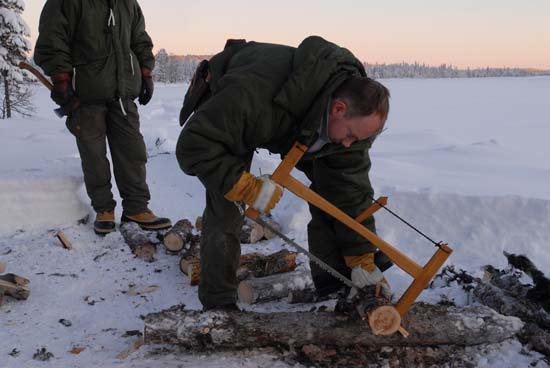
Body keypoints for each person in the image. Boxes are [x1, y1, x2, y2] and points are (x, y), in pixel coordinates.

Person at [176, 36, 391, 310]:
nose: (350, 144)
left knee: (331, 192)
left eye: (356, 139)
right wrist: (246, 187)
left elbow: (350, 193)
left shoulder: (350, 127)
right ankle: (219, 306)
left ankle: (334, 288)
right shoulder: (254, 94)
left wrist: (362, 257)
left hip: (293, 120)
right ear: (339, 109)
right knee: (227, 204)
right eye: (349, 135)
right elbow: (193, 145)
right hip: (238, 107)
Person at [34, 0, 171, 235]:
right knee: (94, 155)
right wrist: (61, 78)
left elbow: (139, 38)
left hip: (123, 92)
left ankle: (137, 208)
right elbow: (52, 38)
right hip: (86, 94)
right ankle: (104, 210)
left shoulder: (127, 3)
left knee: (133, 152)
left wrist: (145, 72)